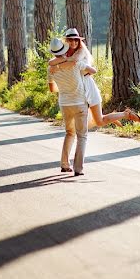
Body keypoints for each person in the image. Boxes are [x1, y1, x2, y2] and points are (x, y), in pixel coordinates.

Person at [49, 27, 140, 129]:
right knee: (86, 123)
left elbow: (74, 61)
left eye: (76, 40)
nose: (73, 42)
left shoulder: (81, 51)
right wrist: (56, 64)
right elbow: (51, 62)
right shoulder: (65, 53)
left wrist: (58, 64)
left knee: (99, 121)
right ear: (66, 41)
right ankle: (112, 117)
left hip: (88, 87)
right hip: (77, 90)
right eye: (71, 40)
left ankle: (126, 114)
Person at [46, 37, 92, 176]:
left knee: (69, 133)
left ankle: (65, 165)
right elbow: (93, 70)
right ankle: (78, 169)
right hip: (79, 102)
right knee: (82, 136)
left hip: (65, 103)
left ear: (53, 53)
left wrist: (64, 86)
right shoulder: (76, 64)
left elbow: (52, 89)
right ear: (65, 50)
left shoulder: (51, 69)